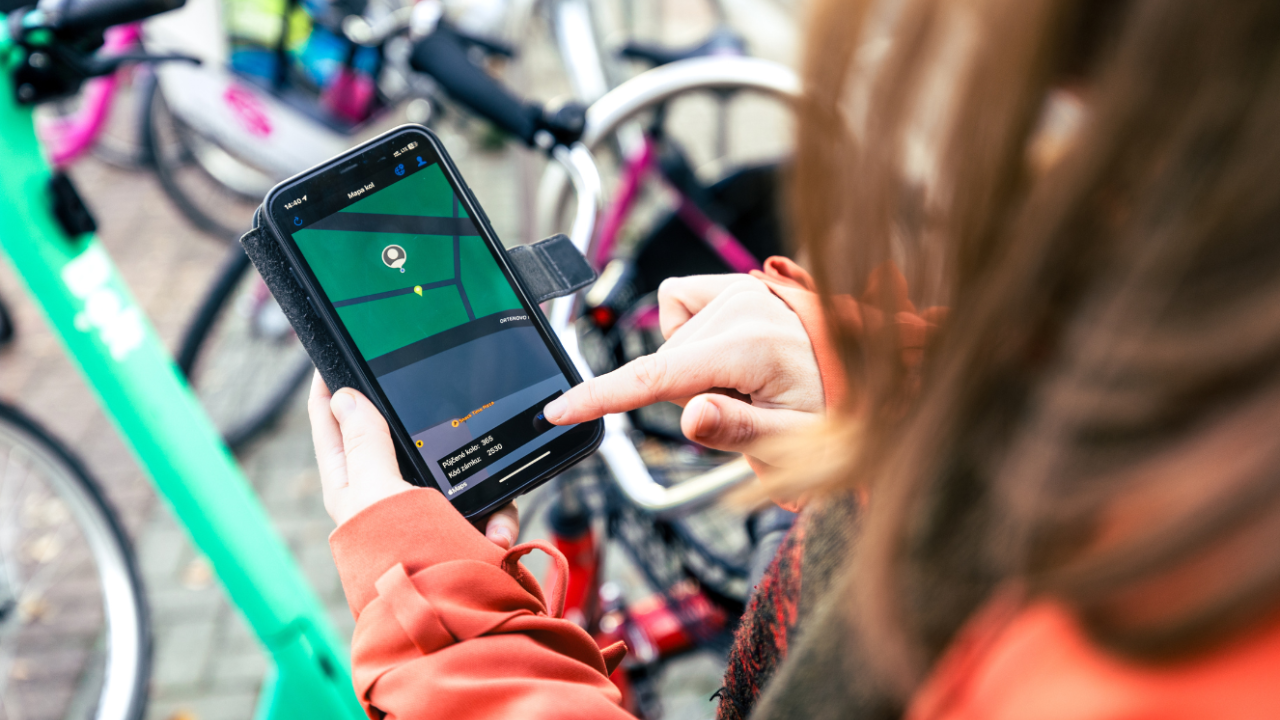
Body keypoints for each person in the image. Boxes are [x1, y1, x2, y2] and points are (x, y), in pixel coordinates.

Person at [309, 0, 1280, 717]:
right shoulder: (1206, 282)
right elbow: (1085, 391)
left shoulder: (1149, 663)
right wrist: (878, 384)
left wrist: (448, 634)